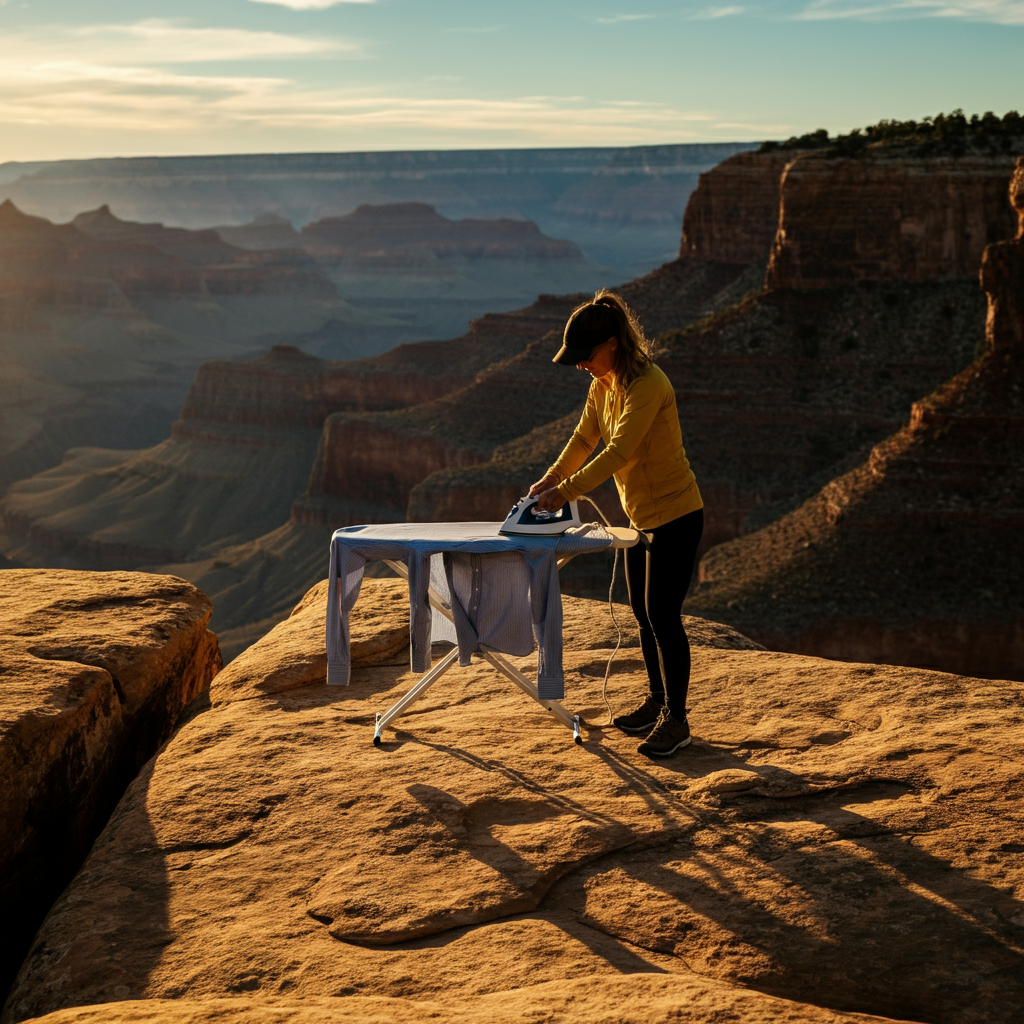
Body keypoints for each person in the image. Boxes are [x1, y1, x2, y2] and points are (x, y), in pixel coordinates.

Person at [528, 291, 704, 757]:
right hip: (640, 518)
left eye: (586, 356)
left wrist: (562, 495)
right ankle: (657, 701)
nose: (582, 365)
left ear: (611, 343)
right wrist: (551, 476)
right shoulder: (603, 383)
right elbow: (584, 437)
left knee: (663, 616)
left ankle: (678, 721)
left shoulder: (647, 384)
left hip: (677, 516)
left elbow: (617, 452)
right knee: (643, 616)